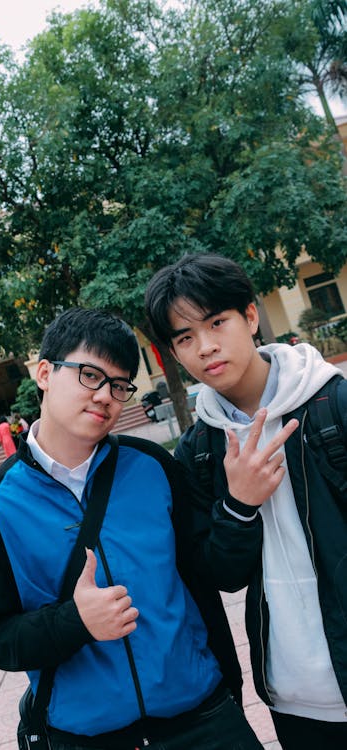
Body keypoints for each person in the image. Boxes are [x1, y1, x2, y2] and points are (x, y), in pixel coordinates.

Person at [0, 307, 268, 750]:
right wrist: (76, 621)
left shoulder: (153, 468)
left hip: (202, 719)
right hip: (89, 737)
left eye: (120, 384)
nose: (106, 395)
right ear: (45, 373)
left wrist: (240, 504)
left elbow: (213, 573)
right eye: (90, 375)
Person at [145, 253, 347, 750]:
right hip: (295, 695)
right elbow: (222, 573)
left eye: (217, 323)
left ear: (251, 316)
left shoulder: (332, 405)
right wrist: (238, 504)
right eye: (185, 337)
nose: (206, 347)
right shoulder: (199, 451)